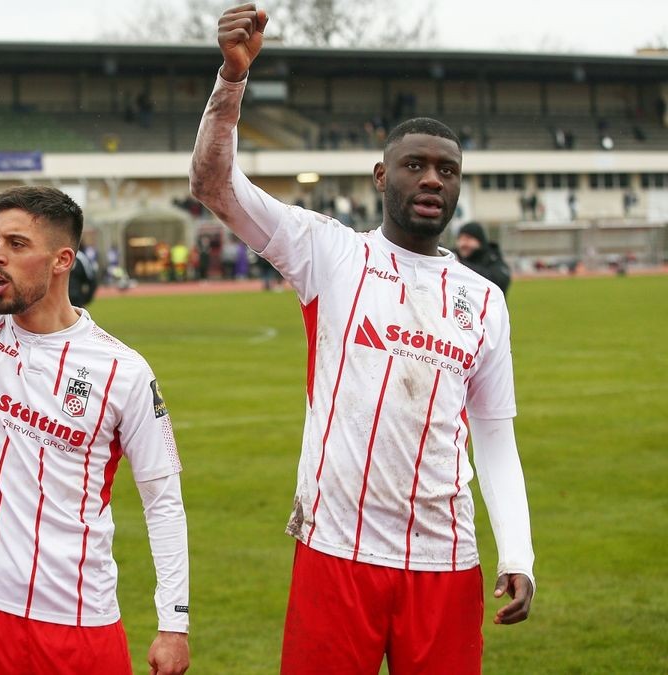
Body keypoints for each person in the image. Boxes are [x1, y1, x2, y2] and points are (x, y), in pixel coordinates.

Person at [189, 6, 534, 673]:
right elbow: (212, 184)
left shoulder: (483, 299)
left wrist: (517, 550)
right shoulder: (329, 252)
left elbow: (495, 435)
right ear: (383, 176)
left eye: (446, 170)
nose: (432, 178)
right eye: (415, 165)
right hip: (336, 551)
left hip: (446, 561)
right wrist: (231, 81)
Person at [0, 61, 190, 675]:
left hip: (80, 622)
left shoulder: (123, 370)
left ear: (61, 260)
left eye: (16, 245)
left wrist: (173, 621)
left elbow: (163, 496)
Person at [456, 222, 512, 295]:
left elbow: (499, 282)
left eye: (468, 239)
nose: (463, 244)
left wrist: (461, 265)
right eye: (461, 239)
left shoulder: (492, 258)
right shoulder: (453, 256)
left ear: (480, 241)